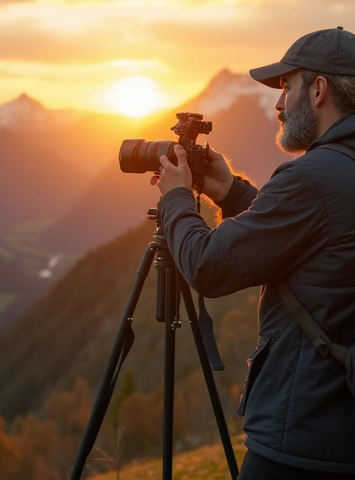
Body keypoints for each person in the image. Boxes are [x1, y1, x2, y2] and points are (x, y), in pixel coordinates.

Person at [154, 27, 355, 479]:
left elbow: (206, 267)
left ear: (319, 90)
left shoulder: (312, 176)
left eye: (286, 87)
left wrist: (176, 199)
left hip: (300, 438)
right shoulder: (341, 171)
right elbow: (315, 240)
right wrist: (232, 193)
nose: (279, 104)